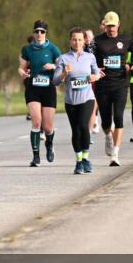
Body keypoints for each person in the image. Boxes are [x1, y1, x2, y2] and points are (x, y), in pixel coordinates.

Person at [54, 27, 103, 174]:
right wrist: (64, 73)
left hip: (87, 98)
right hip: (71, 101)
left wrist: (95, 77)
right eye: (74, 39)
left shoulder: (90, 57)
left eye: (80, 39)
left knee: (83, 125)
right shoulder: (63, 58)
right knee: (75, 130)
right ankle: (79, 161)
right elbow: (55, 81)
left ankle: (86, 159)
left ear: (84, 41)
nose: (77, 42)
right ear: (70, 40)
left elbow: (97, 73)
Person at [91, 11, 133, 167]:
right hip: (103, 86)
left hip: (120, 85)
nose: (111, 29)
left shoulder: (126, 40)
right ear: (104, 26)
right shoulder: (96, 41)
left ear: (118, 25)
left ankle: (115, 154)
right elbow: (86, 58)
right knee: (106, 121)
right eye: (108, 26)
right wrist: (95, 69)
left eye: (113, 26)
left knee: (119, 117)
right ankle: (108, 136)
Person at [19, 20, 61, 167]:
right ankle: (36, 156)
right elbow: (21, 67)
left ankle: (49, 144)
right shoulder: (27, 49)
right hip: (33, 88)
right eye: (36, 31)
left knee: (48, 127)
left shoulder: (53, 49)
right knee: (36, 122)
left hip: (48, 89)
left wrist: (53, 66)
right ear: (33, 32)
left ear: (45, 33)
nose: (39, 34)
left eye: (42, 32)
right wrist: (23, 73)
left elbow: (62, 67)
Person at [84, 28, 101, 135]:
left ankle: (89, 130)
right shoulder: (80, 49)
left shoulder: (97, 47)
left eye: (91, 37)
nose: (89, 39)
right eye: (87, 37)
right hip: (83, 79)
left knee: (93, 104)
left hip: (94, 79)